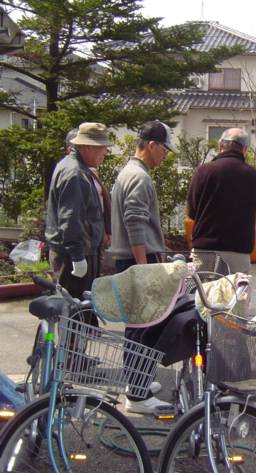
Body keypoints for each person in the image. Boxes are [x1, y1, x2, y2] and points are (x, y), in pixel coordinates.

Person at [111, 119, 179, 414]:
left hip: (131, 259)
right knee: (143, 327)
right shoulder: (139, 177)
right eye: (164, 149)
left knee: (137, 326)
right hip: (138, 259)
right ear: (151, 145)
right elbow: (135, 221)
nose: (165, 155)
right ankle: (138, 396)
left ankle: (137, 383)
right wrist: (143, 267)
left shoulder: (128, 172)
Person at [45, 123, 112, 319]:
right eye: (102, 147)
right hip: (73, 255)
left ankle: (72, 348)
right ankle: (70, 348)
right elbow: (70, 219)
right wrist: (77, 257)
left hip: (76, 251)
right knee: (74, 316)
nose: (105, 153)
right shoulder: (75, 173)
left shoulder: (75, 167)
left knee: (76, 314)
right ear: (87, 147)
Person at [187, 128, 256, 274]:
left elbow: (192, 211)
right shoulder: (253, 175)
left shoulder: (203, 171)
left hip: (205, 250)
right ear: (244, 149)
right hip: (238, 251)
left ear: (219, 145)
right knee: (235, 295)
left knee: (204, 295)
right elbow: (253, 209)